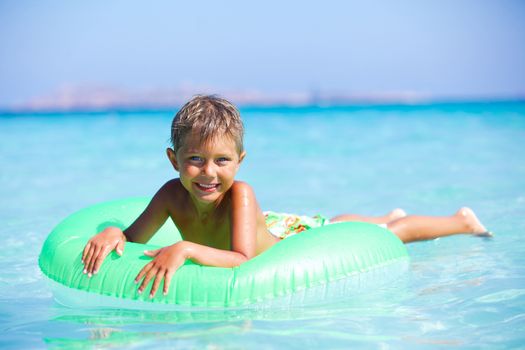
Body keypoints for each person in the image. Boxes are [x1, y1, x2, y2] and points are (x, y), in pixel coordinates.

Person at [81, 95, 491, 298]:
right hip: (271, 225)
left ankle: (460, 221)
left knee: (387, 232)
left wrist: (185, 248)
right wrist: (112, 232)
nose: (208, 173)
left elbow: (243, 260)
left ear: (240, 161)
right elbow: (134, 238)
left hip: (289, 241)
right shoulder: (171, 193)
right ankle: (382, 214)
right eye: (195, 160)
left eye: (221, 160)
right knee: (336, 221)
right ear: (173, 160)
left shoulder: (241, 195)